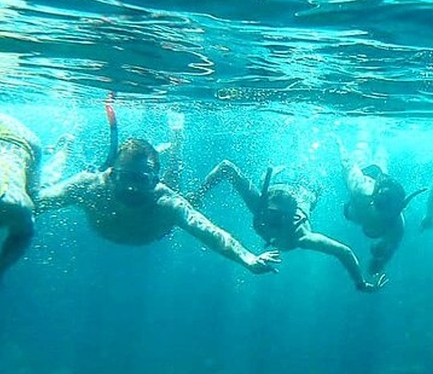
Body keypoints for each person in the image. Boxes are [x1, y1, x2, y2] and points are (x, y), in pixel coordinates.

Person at [36, 138, 279, 275]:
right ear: (110, 175)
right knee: (45, 185)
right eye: (125, 177)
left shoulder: (167, 202)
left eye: (141, 179)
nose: (132, 188)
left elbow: (209, 231)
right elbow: (36, 203)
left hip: (159, 227)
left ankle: (177, 142)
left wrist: (248, 259)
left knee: (175, 176)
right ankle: (65, 147)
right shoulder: (89, 187)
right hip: (144, 223)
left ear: (154, 180)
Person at [189, 159, 385, 292]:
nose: (274, 225)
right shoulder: (260, 207)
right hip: (279, 181)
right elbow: (226, 167)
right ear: (266, 207)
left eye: (282, 220)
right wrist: (196, 196)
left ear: (293, 219)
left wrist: (361, 283)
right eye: (273, 217)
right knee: (286, 171)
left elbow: (345, 252)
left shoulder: (301, 235)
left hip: (307, 187)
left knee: (308, 178)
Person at [338, 139, 426, 276]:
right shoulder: (359, 189)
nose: (393, 215)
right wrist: (340, 144)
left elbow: (393, 245)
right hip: (367, 174)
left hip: (380, 184)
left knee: (381, 160)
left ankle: (380, 140)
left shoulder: (396, 221)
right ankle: (369, 137)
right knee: (362, 152)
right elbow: (348, 164)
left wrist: (381, 261)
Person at [0, 114, 72, 279]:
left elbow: (22, 234)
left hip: (22, 140)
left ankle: (63, 150)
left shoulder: (14, 205)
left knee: (36, 196)